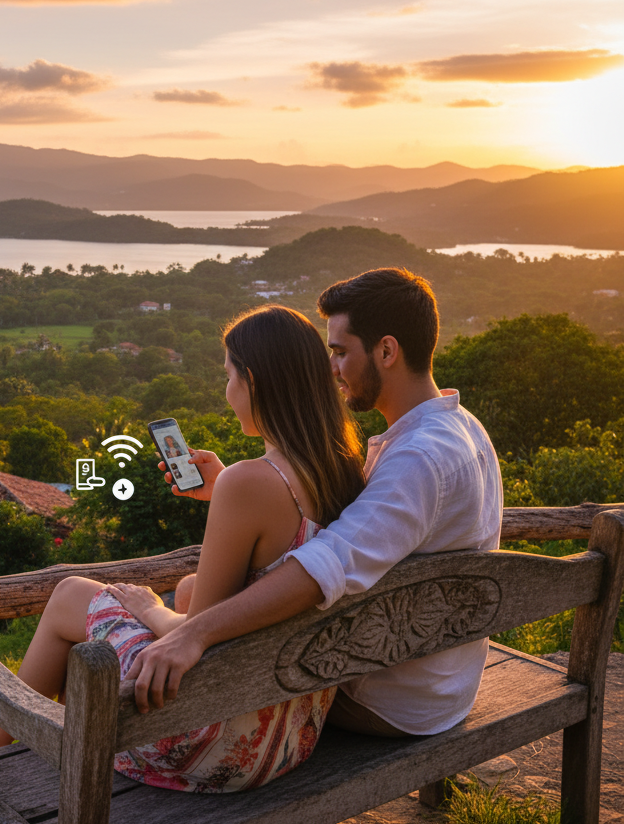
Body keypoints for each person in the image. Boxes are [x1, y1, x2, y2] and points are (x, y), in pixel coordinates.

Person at [0, 303, 365, 795]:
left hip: (218, 745)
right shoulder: (342, 466)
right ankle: (13, 753)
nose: (226, 392)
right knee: (190, 586)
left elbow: (201, 634)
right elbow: (280, 546)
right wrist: (225, 494)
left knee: (72, 594)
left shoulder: (250, 483)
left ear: (254, 381)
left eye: (229, 377)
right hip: (289, 734)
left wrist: (150, 609)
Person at [127, 267, 503, 741]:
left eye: (341, 352)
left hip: (388, 696)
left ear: (386, 351)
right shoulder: (458, 426)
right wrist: (230, 489)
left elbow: (322, 568)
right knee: (190, 591)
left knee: (179, 613)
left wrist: (192, 634)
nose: (331, 369)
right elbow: (358, 535)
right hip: (439, 679)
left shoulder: (419, 460)